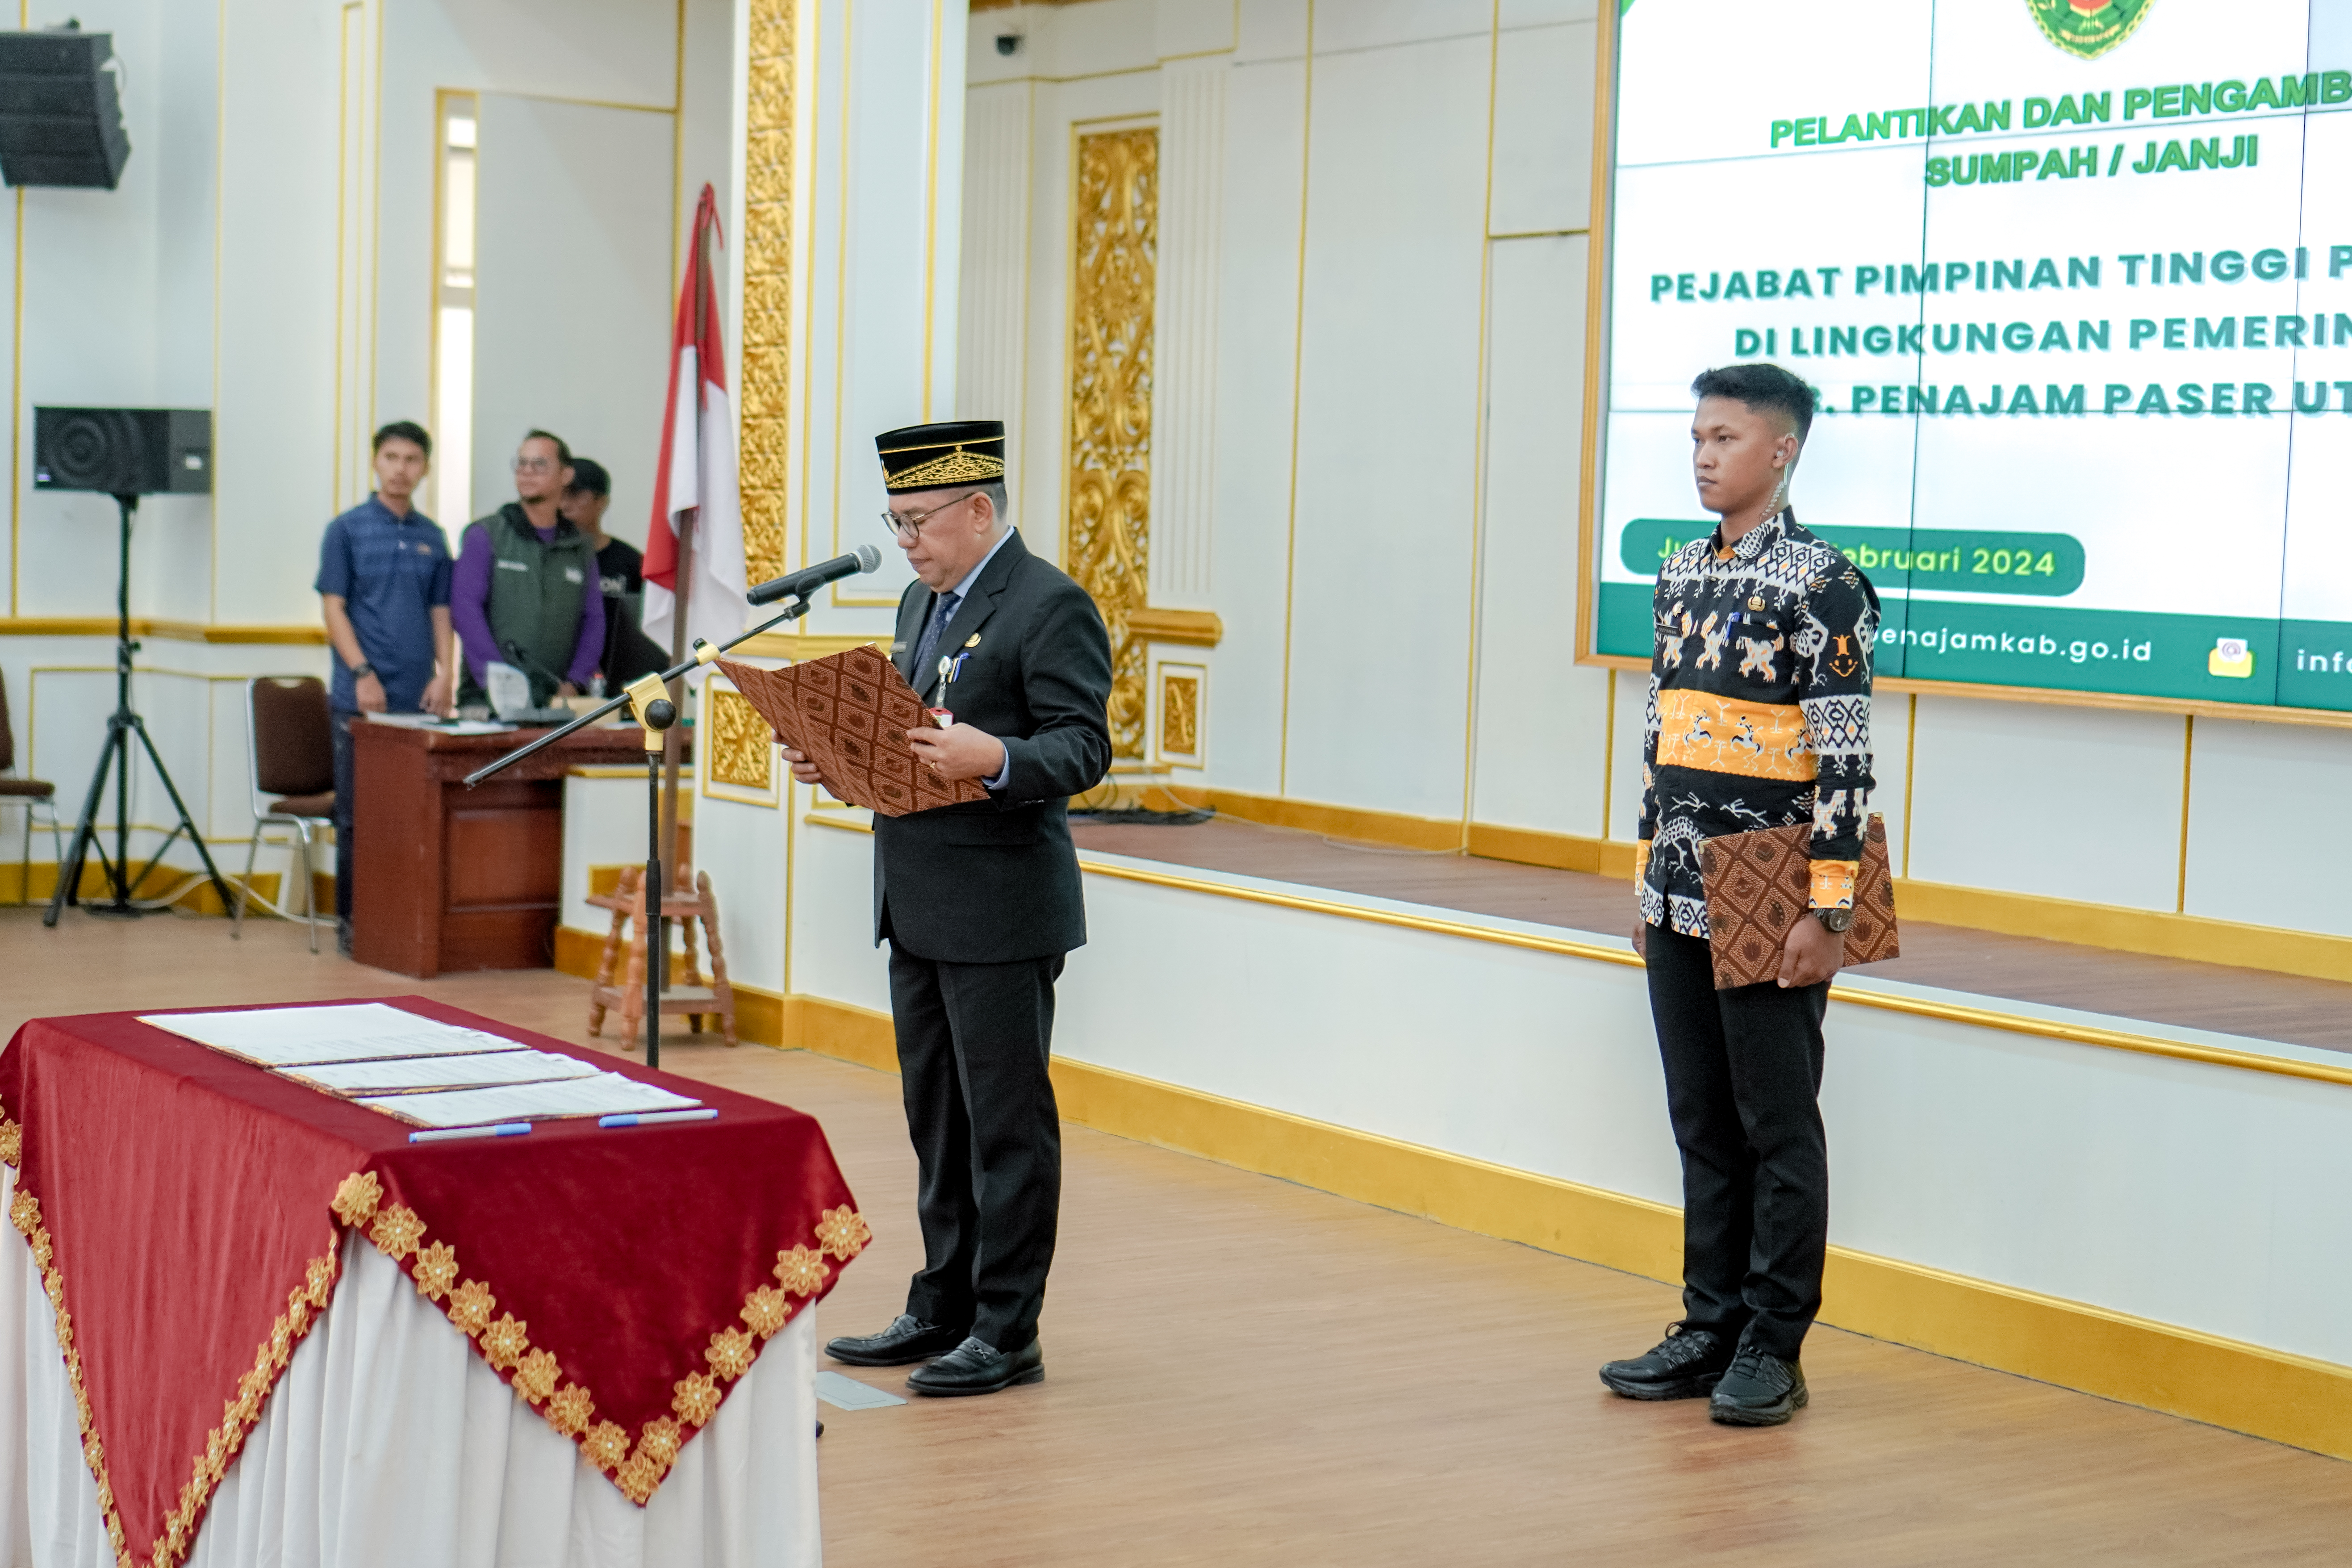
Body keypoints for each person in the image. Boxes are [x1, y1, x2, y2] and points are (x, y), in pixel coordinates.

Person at [795, 419, 1112, 1398]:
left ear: (979, 509)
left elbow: (1083, 747)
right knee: (936, 1119)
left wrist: (999, 757)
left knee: (1005, 1126)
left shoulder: (1049, 603)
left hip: (1001, 907)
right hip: (919, 897)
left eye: (918, 521)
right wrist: (840, 762)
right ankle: (943, 1303)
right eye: (894, 522)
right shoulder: (918, 600)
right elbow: (910, 738)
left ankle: (1007, 1328)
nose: (905, 542)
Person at [1599, 364, 1878, 1427]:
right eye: (1695, 438)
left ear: (1781, 449)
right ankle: (1706, 1323)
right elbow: (1659, 734)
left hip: (1770, 884)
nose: (1703, 455)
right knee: (1699, 1119)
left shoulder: (1824, 583)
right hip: (1678, 881)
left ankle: (1773, 1343)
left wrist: (1829, 908)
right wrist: (1647, 877)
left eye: (1723, 437)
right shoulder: (1677, 571)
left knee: (1775, 1124)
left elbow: (1844, 760)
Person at [315, 421, 456, 954]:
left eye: (412, 459)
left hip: (417, 698)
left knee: (411, 810)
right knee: (358, 814)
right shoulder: (346, 529)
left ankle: (402, 917)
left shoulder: (432, 536)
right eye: (391, 457)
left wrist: (446, 673)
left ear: (425, 468)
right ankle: (353, 920)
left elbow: (440, 611)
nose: (401, 469)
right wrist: (361, 672)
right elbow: (333, 608)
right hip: (360, 698)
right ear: (376, 462)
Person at [450, 430, 604, 710]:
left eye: (540, 464)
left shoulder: (579, 546)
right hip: (487, 702)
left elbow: (593, 619)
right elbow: (465, 609)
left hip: (558, 702)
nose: (527, 472)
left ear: (566, 475)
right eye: (521, 463)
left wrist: (577, 681)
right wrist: (498, 679)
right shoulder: (486, 534)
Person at [560, 456, 669, 687]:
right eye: (561, 494)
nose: (565, 504)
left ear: (602, 502)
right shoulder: (550, 559)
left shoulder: (630, 561)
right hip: (560, 678)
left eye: (575, 494)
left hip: (620, 683)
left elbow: (651, 628)